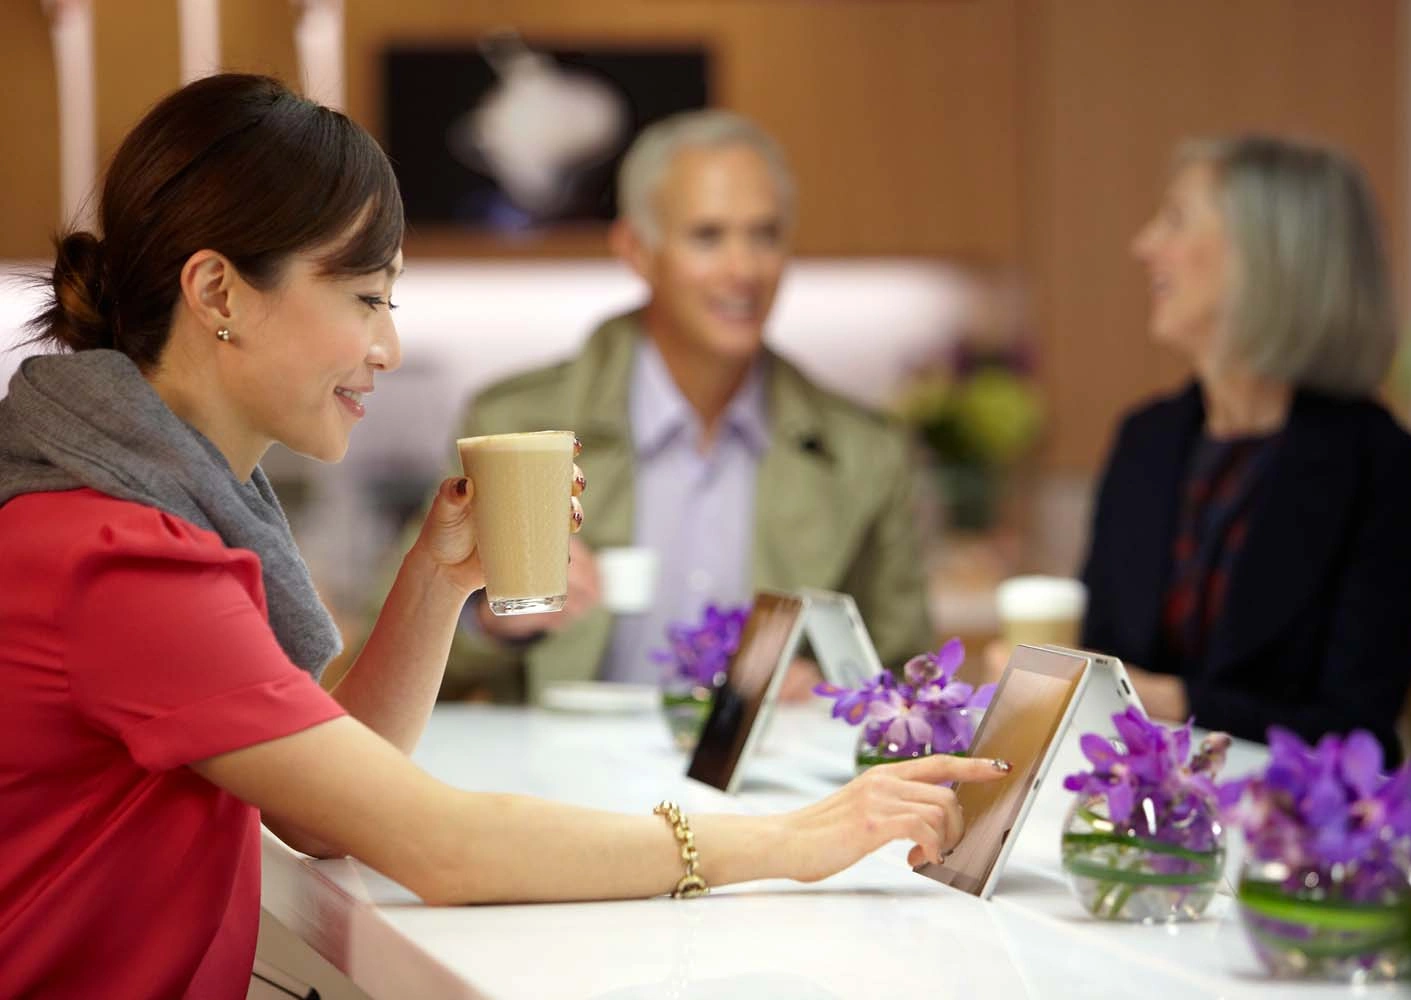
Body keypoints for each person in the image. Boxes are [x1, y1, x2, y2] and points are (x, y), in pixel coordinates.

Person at [0, 74, 1009, 998]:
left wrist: (436, 582)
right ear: (218, 292)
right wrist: (789, 839)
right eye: (365, 296)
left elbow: (317, 812)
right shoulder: (122, 556)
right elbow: (442, 847)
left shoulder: (139, 510)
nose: (388, 345)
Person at [427, 109, 933, 703]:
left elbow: (906, 676)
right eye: (708, 236)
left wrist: (835, 692)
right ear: (637, 250)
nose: (743, 269)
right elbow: (395, 639)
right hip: (562, 786)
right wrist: (491, 622)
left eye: (765, 235)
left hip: (769, 791)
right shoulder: (512, 428)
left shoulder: (866, 453)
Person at [1060, 135, 1411, 766]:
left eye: (1177, 219)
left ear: (1268, 258)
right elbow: (1104, 658)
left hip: (1282, 835)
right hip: (1125, 816)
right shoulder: (1145, 439)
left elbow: (1357, 731)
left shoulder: (1381, 465)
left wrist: (1172, 699)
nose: (1144, 244)